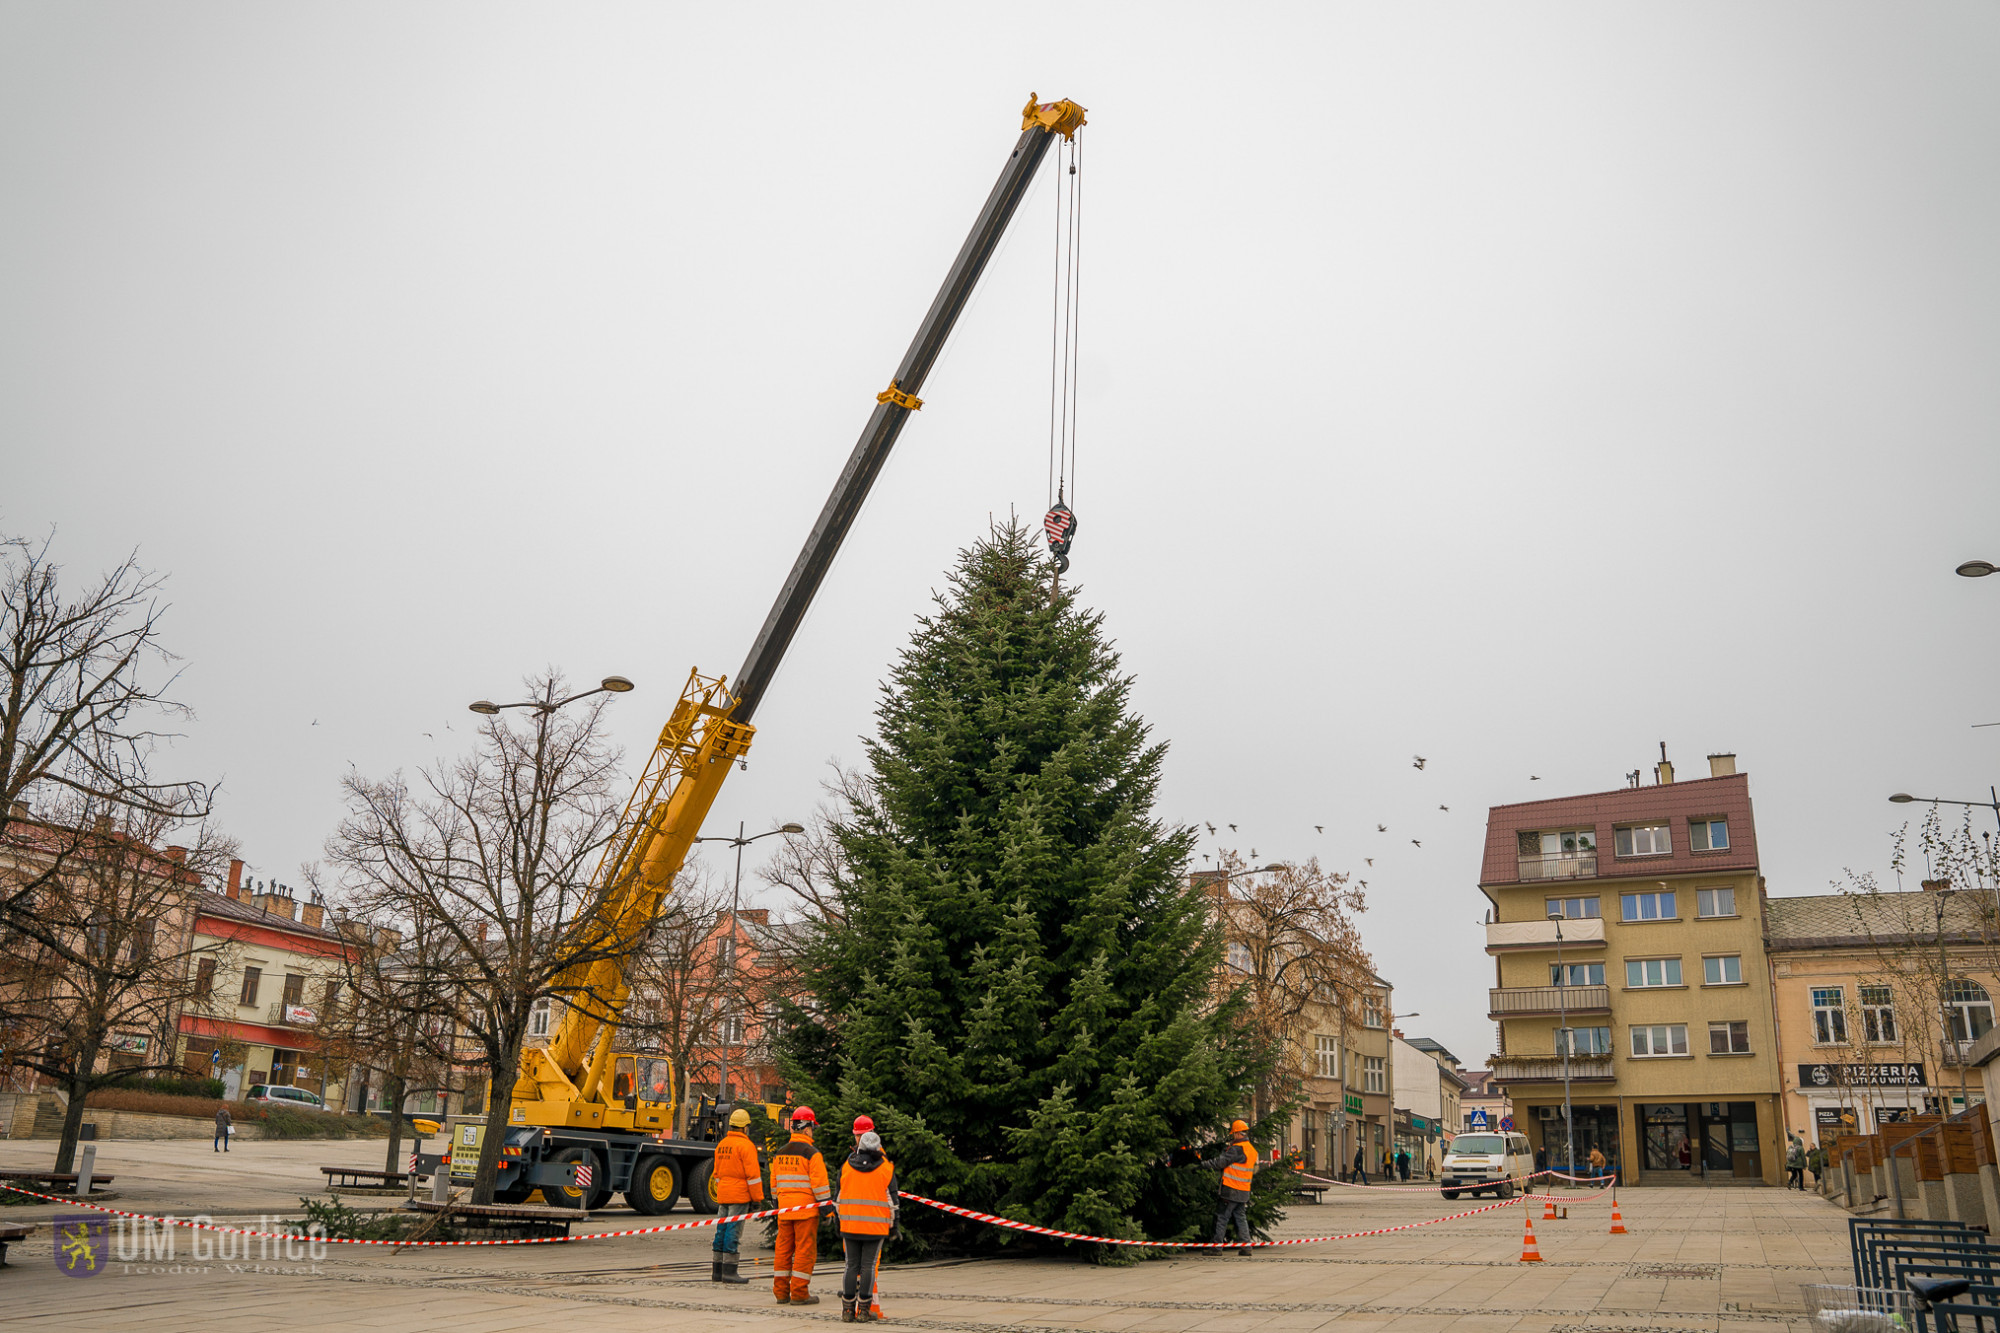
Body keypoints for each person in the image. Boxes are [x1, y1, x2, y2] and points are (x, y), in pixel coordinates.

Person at [771, 1106, 835, 1305]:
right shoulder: (812, 1154)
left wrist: (777, 1206)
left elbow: (773, 1184)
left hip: (784, 1210)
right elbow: (821, 1187)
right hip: (805, 1212)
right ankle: (799, 1293)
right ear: (807, 1128)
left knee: (783, 1250)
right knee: (804, 1251)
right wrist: (828, 1211)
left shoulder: (780, 1153)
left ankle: (781, 1292)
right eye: (812, 1128)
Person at [837, 1129, 899, 1322]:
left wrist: (838, 1223)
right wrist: (894, 1226)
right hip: (875, 1227)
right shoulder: (886, 1169)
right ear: (878, 1148)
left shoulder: (846, 1166)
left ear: (860, 1147)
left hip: (850, 1225)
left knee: (851, 1266)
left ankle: (847, 1310)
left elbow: (837, 1199)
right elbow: (893, 1202)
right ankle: (864, 1310)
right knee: (868, 1267)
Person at [711, 1107, 764, 1284]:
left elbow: (716, 1173)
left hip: (723, 1195)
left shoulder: (722, 1145)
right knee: (733, 1232)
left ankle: (717, 1272)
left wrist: (723, 1189)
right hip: (739, 1196)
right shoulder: (746, 1146)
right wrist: (757, 1199)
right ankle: (729, 1272)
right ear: (744, 1127)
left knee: (721, 1231)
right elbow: (753, 1176)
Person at [1203, 1119, 1258, 1256]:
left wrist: (1203, 1165)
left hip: (1231, 1189)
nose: (1233, 1136)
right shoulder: (1251, 1149)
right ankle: (1246, 1247)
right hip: (1244, 1190)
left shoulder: (1237, 1149)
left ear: (1238, 1133)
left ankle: (1216, 1248)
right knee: (1240, 1217)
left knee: (1221, 1217)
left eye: (1234, 1134)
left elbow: (1221, 1162)